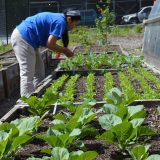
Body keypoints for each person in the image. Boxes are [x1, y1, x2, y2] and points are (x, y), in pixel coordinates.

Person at [11, 9, 81, 98]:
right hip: (23, 38)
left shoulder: (61, 19)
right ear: (69, 19)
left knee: (39, 70)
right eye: (75, 24)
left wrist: (62, 49)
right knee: (27, 72)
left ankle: (37, 96)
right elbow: (50, 44)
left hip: (30, 40)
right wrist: (65, 50)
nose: (75, 27)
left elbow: (50, 42)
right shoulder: (60, 22)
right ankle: (26, 103)